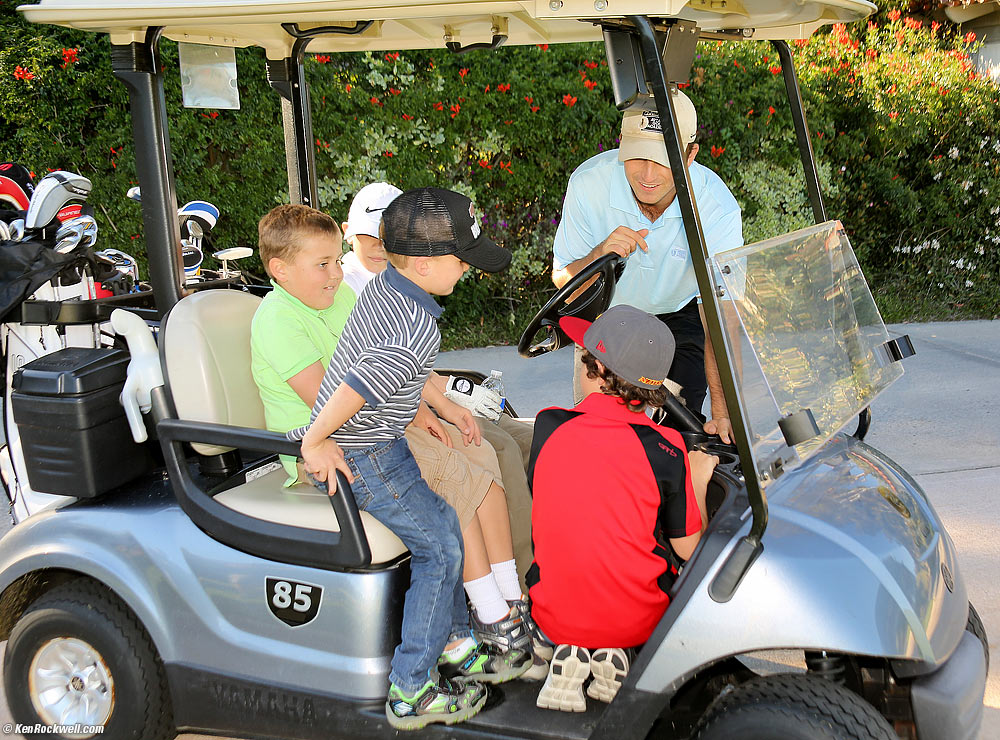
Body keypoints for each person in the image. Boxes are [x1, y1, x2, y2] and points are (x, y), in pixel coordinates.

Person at [250, 203, 539, 697]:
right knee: (446, 523)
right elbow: (343, 393)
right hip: (341, 447)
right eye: (324, 264)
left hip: (366, 429)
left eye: (337, 261)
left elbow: (388, 367)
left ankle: (482, 617)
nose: (337, 272)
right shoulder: (281, 320)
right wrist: (314, 441)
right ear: (280, 269)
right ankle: (436, 663)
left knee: (470, 480)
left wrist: (433, 407)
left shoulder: (356, 296)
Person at [340, 181, 537, 591]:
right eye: (368, 238)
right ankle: (521, 580)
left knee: (533, 435)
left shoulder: (396, 291)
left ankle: (545, 557)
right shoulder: (358, 293)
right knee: (490, 446)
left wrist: (440, 403)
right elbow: (360, 384)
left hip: (409, 404)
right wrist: (315, 438)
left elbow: (407, 369)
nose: (378, 248)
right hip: (374, 432)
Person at [526, 305, 719, 713]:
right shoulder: (667, 448)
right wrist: (697, 479)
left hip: (551, 612)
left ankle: (573, 647)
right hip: (636, 620)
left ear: (593, 368)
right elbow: (690, 549)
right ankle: (618, 651)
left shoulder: (547, 426)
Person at [551, 88, 742, 443]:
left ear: (690, 155)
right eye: (638, 156)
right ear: (622, 142)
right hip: (608, 318)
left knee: (677, 436)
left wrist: (724, 411)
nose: (648, 174)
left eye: (664, 159)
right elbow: (563, 282)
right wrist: (597, 257)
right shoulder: (589, 184)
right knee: (603, 438)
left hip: (679, 317)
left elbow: (721, 316)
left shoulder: (716, 207)